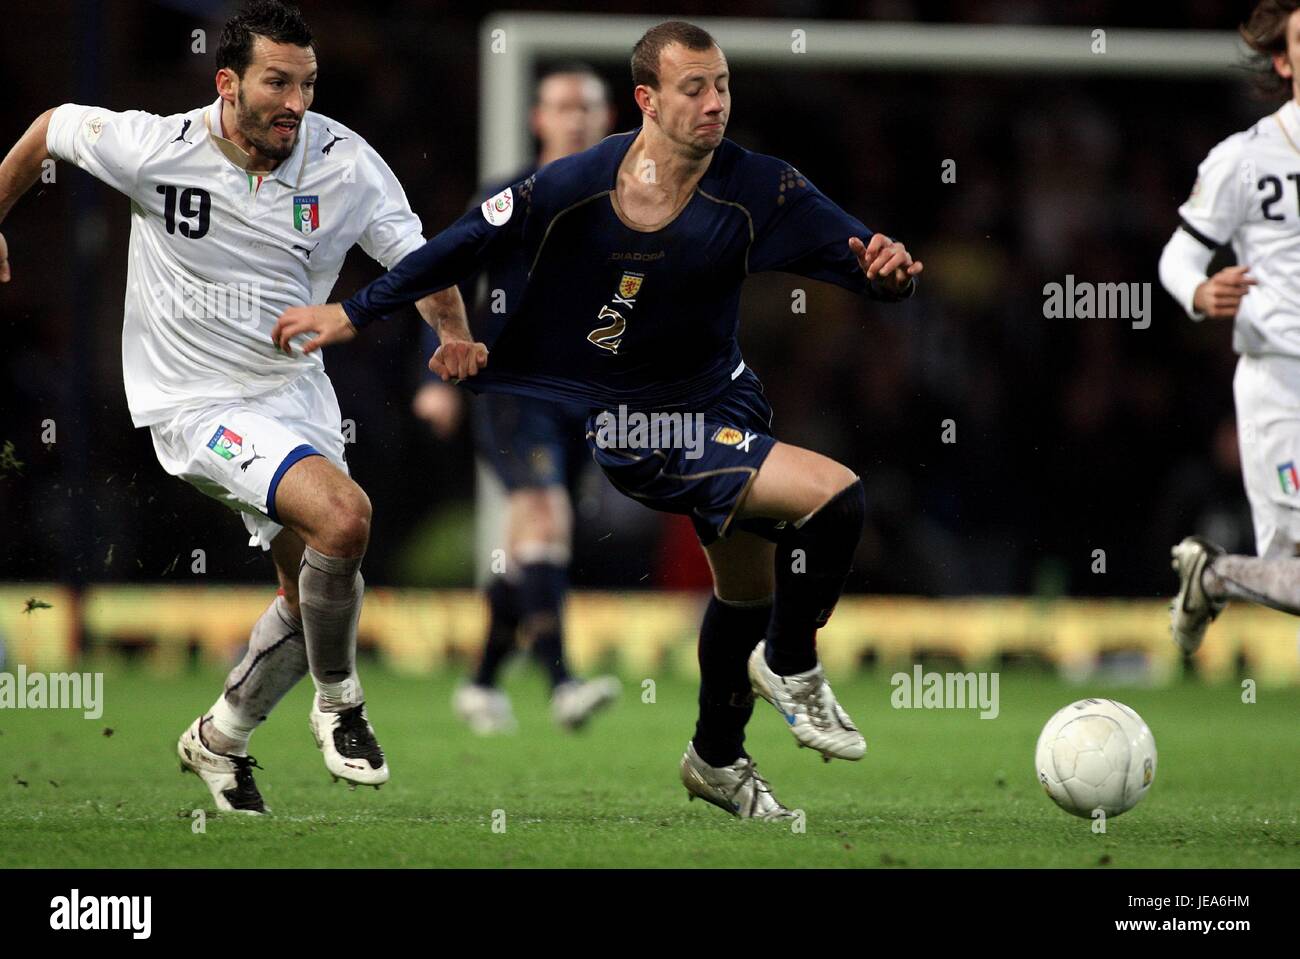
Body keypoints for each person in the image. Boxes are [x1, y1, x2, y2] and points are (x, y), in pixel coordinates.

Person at [273, 20, 921, 820]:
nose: (715, 102)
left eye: (722, 85)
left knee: (745, 592)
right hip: (641, 428)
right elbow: (460, 244)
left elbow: (860, 259)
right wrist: (355, 312)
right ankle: (790, 664)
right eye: (695, 88)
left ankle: (716, 757)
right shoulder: (577, 183)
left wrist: (888, 272)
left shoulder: (763, 185)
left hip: (728, 401)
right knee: (837, 495)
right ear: (647, 100)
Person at [0, 0, 476, 813]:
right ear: (227, 82)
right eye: (277, 82)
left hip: (296, 398)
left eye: (309, 84)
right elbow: (51, 126)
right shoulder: (159, 147)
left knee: (310, 589)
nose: (296, 102)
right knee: (345, 519)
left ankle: (221, 736)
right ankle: (342, 704)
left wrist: (454, 336)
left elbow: (419, 259)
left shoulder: (345, 164)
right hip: (192, 403)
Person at [413, 64, 621, 735]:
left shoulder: (628, 200)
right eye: (563, 106)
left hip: (584, 397)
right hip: (508, 387)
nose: (576, 118)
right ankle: (563, 682)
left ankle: (480, 682)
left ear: (607, 117)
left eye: (587, 107)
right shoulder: (510, 196)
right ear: (538, 119)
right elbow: (445, 269)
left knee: (529, 542)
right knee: (544, 513)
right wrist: (431, 374)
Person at [1160, 0, 1300, 653]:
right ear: (1284, 59)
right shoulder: (1244, 159)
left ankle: (1215, 574)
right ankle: (1211, 573)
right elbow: (1178, 255)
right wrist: (1197, 289)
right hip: (1282, 385)